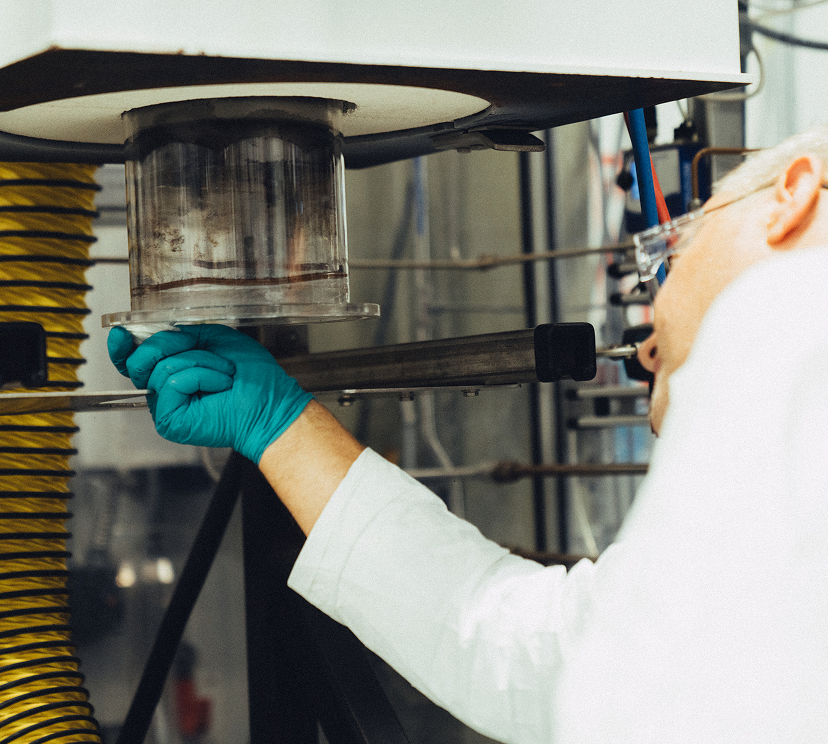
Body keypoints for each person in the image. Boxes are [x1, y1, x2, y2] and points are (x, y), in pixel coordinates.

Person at [107, 125, 828, 743]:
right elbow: (530, 651)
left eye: (681, 238)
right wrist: (279, 427)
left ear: (792, 196)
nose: (643, 341)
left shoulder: (791, 313)